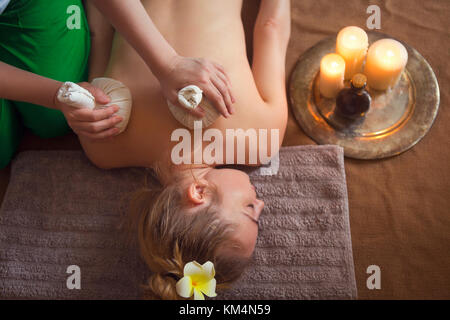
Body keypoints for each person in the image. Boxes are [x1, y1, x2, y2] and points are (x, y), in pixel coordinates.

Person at [81, 0, 291, 299]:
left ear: (199, 193)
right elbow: (99, 31)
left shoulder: (260, 139)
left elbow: (271, 27)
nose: (262, 204)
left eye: (250, 211)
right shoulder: (104, 148)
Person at [0, 0, 234, 168]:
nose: (259, 202)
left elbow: (99, 34)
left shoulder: (103, 153)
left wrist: (168, 64)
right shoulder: (255, 136)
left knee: (48, 123)